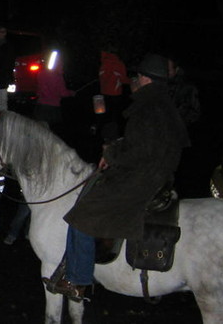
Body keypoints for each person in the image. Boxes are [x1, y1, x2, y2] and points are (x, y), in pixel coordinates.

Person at [54, 53, 190, 301]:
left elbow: (140, 151)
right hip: (157, 173)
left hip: (141, 178)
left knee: (82, 216)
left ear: (147, 79)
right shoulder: (163, 105)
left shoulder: (148, 107)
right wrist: (118, 147)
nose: (134, 80)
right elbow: (145, 142)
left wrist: (113, 153)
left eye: (138, 76)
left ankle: (78, 280)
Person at [34, 50, 75, 134]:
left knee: (41, 131)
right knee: (54, 133)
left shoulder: (41, 74)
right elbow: (62, 93)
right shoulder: (58, 76)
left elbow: (38, 90)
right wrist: (71, 93)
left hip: (41, 107)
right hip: (53, 109)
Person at [98, 46, 130, 132]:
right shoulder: (119, 64)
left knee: (105, 113)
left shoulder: (104, 63)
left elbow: (102, 77)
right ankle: (114, 134)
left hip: (104, 93)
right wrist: (132, 81)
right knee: (115, 115)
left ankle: (103, 131)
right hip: (115, 94)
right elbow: (123, 79)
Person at [167, 57, 201, 128]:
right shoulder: (160, 83)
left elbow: (194, 114)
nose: (166, 73)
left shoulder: (188, 88)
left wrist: (176, 123)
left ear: (176, 69)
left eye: (168, 70)